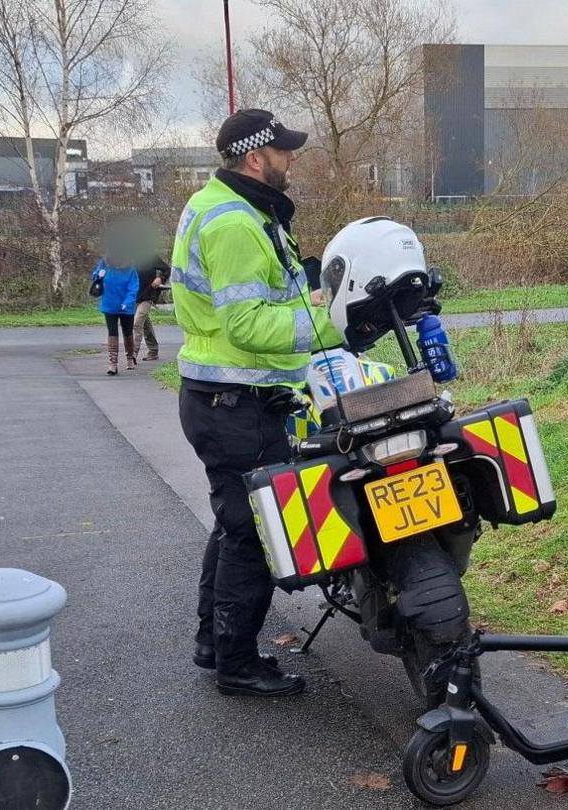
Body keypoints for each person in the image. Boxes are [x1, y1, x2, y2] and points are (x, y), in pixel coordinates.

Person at [172, 108, 342, 697]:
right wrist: (329, 326)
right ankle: (236, 665)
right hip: (234, 401)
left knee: (235, 524)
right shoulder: (236, 224)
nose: (291, 159)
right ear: (254, 158)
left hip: (226, 399)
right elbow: (246, 324)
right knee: (254, 533)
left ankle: (213, 642)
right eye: (284, 151)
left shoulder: (229, 206)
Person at [90, 255, 140, 375]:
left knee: (127, 332)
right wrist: (98, 274)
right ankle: (113, 364)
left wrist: (127, 302)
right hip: (109, 304)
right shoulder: (105, 263)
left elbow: (133, 288)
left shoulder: (130, 269)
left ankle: (129, 359)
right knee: (112, 332)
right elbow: (95, 277)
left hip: (125, 306)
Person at [134, 254, 170, 361]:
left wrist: (160, 278)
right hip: (133, 297)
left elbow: (167, 270)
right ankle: (153, 350)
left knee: (137, 323)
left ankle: (132, 354)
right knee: (145, 324)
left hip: (147, 295)